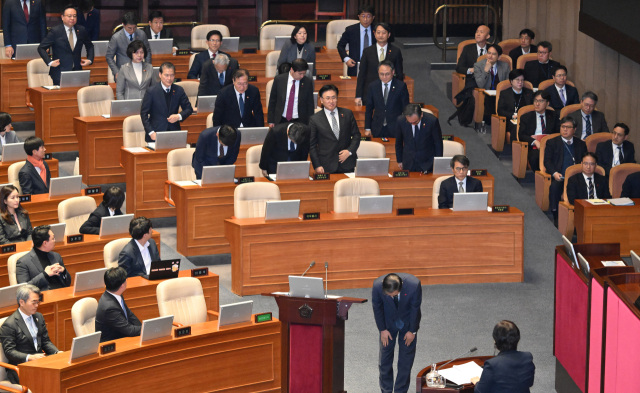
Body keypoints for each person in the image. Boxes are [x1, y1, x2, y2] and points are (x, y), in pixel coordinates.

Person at [0, 285, 60, 384]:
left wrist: (57, 353)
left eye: (38, 302)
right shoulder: (9, 325)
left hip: (40, 364)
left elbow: (45, 341)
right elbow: (9, 351)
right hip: (21, 368)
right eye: (33, 302)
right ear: (22, 302)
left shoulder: (39, 317)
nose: (37, 305)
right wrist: (29, 357)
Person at [372, 273, 422, 393]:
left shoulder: (414, 285)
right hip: (387, 325)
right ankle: (386, 390)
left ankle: (400, 390)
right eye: (388, 295)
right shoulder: (377, 286)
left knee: (405, 361)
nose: (390, 296)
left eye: (393, 295)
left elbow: (415, 309)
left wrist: (412, 331)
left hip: (408, 324)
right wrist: (382, 329)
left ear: (401, 286)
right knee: (385, 360)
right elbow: (377, 308)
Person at [470, 320, 535, 392]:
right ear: (518, 339)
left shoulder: (492, 364)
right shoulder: (527, 357)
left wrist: (477, 382)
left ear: (495, 342)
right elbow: (530, 383)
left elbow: (479, 391)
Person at [37, 4, 94, 86]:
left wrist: (90, 59)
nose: (72, 18)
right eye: (69, 16)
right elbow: (41, 48)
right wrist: (49, 62)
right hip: (59, 73)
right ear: (62, 17)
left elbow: (90, 46)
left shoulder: (81, 30)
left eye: (74, 16)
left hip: (77, 71)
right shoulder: (55, 31)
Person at [309, 85, 360, 174]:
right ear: (321, 100)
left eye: (334, 98)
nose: (331, 101)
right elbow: (312, 145)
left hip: (347, 163)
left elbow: (356, 135)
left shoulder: (347, 114)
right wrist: (317, 165)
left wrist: (349, 151)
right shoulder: (314, 119)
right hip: (326, 165)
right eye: (328, 98)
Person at [544, 116, 587, 220]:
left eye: (568, 127)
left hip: (577, 178)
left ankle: (579, 218)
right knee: (554, 187)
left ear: (574, 129)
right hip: (560, 177)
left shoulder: (581, 144)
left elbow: (585, 161)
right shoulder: (552, 142)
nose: (565, 129)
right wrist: (554, 173)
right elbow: (547, 161)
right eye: (563, 126)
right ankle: (556, 217)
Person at [140, 62, 193, 142]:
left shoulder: (179, 90)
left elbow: (189, 109)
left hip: (174, 133)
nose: (169, 78)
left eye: (172, 75)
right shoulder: (151, 91)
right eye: (166, 75)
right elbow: (144, 113)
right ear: (160, 75)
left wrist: (178, 116)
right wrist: (151, 132)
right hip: (156, 134)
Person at [355, 22, 404, 106]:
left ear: (389, 34)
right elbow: (362, 74)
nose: (381, 35)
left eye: (384, 32)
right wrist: (358, 96)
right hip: (370, 93)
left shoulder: (396, 51)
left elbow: (399, 74)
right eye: (378, 32)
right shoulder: (367, 51)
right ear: (374, 34)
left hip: (389, 94)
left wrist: (397, 92)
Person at [95, 267, 142, 342]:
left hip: (121, 335)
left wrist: (141, 327)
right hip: (112, 345)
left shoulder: (116, 294)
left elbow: (130, 315)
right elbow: (129, 330)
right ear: (122, 286)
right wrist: (147, 328)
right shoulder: (109, 308)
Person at [16, 225, 70, 291]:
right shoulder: (23, 262)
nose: (54, 241)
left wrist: (64, 272)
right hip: (43, 297)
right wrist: (45, 274)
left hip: (62, 293)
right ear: (45, 243)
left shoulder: (56, 256)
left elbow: (68, 283)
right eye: (53, 239)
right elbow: (24, 289)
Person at [364, 60, 410, 138]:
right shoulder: (373, 86)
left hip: (395, 128)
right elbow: (369, 108)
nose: (384, 77)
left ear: (393, 72)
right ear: (378, 72)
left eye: (387, 74)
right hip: (377, 127)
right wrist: (367, 128)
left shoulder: (401, 86)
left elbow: (406, 108)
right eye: (381, 74)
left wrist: (406, 127)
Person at [518, 90, 559, 171]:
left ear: (547, 103)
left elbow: (558, 133)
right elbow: (521, 135)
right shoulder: (526, 117)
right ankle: (540, 177)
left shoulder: (553, 115)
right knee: (534, 157)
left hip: (550, 146)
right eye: (535, 101)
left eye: (541, 101)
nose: (537, 104)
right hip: (534, 147)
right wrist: (535, 142)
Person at [395, 103, 443, 173]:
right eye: (410, 122)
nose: (413, 124)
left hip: (427, 162)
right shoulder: (400, 120)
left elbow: (438, 143)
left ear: (421, 115)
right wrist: (399, 160)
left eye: (415, 122)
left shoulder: (432, 121)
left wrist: (438, 162)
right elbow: (398, 142)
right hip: (408, 162)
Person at [267, 58, 315, 127]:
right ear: (292, 69)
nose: (302, 76)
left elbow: (310, 104)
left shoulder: (307, 82)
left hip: (299, 121)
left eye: (303, 73)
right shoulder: (279, 79)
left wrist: (310, 123)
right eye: (300, 73)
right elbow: (272, 101)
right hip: (281, 120)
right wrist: (271, 120)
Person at [106, 12, 151, 80]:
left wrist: (147, 69)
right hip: (123, 74)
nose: (132, 30)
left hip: (140, 72)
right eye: (129, 28)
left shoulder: (142, 34)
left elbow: (147, 52)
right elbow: (109, 57)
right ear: (123, 25)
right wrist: (116, 72)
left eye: (135, 27)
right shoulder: (116, 38)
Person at [337, 5, 375, 77]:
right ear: (359, 16)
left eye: (368, 16)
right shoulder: (351, 30)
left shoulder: (377, 30)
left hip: (374, 66)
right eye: (363, 16)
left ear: (373, 17)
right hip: (355, 66)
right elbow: (340, 45)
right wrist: (346, 58)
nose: (365, 19)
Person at [474, 43, 509, 119]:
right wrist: (486, 70)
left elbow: (507, 83)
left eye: (493, 54)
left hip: (501, 94)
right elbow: (480, 85)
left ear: (499, 57)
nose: (490, 56)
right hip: (486, 93)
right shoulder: (478, 65)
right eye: (489, 53)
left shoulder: (505, 66)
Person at [497, 69, 533, 137]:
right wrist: (513, 115)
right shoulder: (505, 93)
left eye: (522, 80)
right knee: (516, 127)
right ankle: (516, 146)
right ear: (511, 81)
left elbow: (532, 108)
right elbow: (500, 110)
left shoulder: (529, 93)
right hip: (511, 120)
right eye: (517, 80)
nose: (520, 82)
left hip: (526, 120)